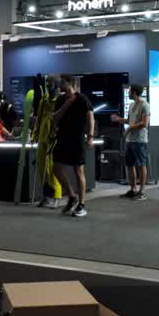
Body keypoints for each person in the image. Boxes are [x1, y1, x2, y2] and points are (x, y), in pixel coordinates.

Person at [50, 74, 93, 217]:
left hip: (77, 139)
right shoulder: (61, 99)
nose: (59, 84)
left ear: (69, 83)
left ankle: (81, 204)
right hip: (62, 138)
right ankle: (71, 196)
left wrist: (90, 137)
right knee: (55, 168)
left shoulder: (82, 98)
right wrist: (67, 104)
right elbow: (54, 118)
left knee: (78, 171)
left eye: (62, 82)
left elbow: (91, 118)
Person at [114, 84, 149, 200]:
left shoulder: (145, 105)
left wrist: (129, 129)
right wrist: (118, 119)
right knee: (130, 165)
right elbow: (129, 120)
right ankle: (133, 189)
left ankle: (142, 191)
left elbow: (144, 123)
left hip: (140, 141)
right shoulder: (132, 105)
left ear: (134, 92)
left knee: (141, 165)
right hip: (130, 140)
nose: (128, 93)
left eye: (129, 91)